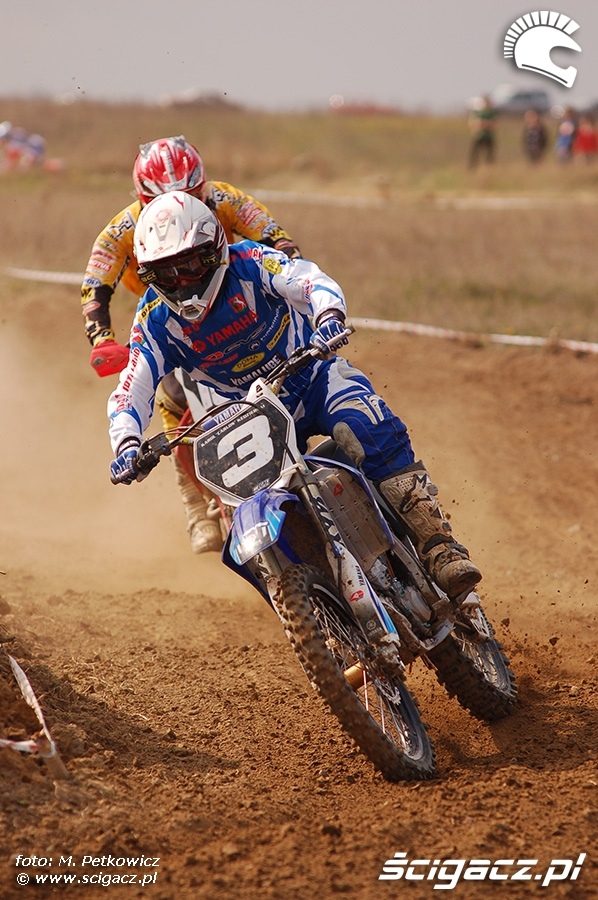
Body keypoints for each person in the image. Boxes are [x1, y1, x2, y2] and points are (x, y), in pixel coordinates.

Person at [107, 192, 482, 602]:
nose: (182, 283)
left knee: (366, 426)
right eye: (166, 275)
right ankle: (308, 597)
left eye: (191, 266)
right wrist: (126, 442)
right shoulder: (154, 319)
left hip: (310, 375)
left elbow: (307, 279)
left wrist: (328, 315)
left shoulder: (250, 262)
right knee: (243, 510)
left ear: (214, 251)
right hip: (246, 413)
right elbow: (132, 384)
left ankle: (438, 545)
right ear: (149, 277)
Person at [82, 135, 302, 554]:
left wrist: (291, 279)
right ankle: (196, 507)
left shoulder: (226, 198)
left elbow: (279, 240)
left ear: (204, 188)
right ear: (141, 199)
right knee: (169, 398)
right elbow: (94, 287)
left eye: (192, 196)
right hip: (169, 318)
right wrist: (102, 339)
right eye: (159, 202)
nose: (178, 208)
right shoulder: (122, 229)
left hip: (238, 299)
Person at [468, 96, 497, 169]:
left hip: (488, 136)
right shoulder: (478, 113)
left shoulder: (491, 113)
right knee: (474, 153)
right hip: (478, 136)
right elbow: (472, 123)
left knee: (489, 154)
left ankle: (489, 168)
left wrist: (483, 124)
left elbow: (494, 124)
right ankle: (472, 167)